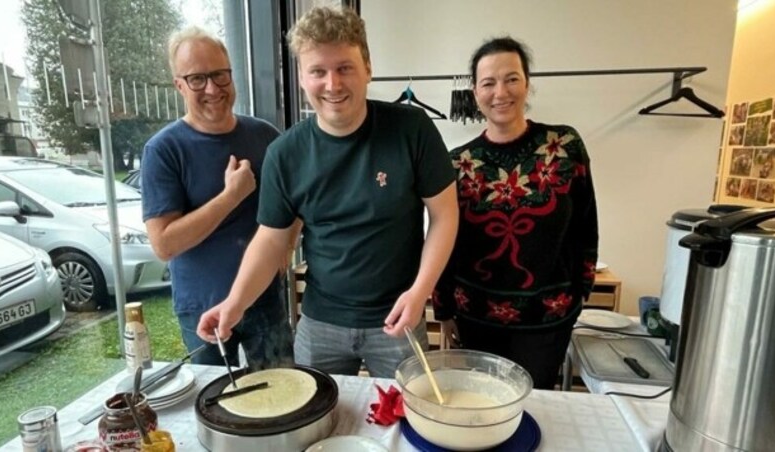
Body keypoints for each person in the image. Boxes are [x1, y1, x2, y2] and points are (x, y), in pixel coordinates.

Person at [197, 6, 458, 378]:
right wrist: (234, 303)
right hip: (320, 323)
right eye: (318, 71)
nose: (332, 84)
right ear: (302, 78)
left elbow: (445, 215)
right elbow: (271, 240)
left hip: (399, 314)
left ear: (368, 68)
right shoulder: (285, 153)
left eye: (344, 68)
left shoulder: (411, 129)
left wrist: (421, 292)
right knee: (317, 420)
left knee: (406, 422)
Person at [433, 37, 599, 389]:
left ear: (527, 83)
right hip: (475, 318)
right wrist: (444, 310)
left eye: (511, 79)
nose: (500, 92)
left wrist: (583, 289)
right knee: (480, 407)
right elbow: (444, 240)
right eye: (488, 83)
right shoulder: (457, 162)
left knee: (533, 409)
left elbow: (586, 223)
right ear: (475, 92)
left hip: (547, 320)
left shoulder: (565, 146)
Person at [140, 26, 295, 369]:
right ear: (179, 84)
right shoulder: (163, 150)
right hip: (201, 308)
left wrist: (287, 243)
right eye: (197, 79)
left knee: (281, 393)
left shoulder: (265, 136)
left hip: (264, 298)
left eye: (220, 75)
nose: (212, 89)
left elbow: (294, 199)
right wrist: (231, 196)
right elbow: (164, 244)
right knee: (214, 402)